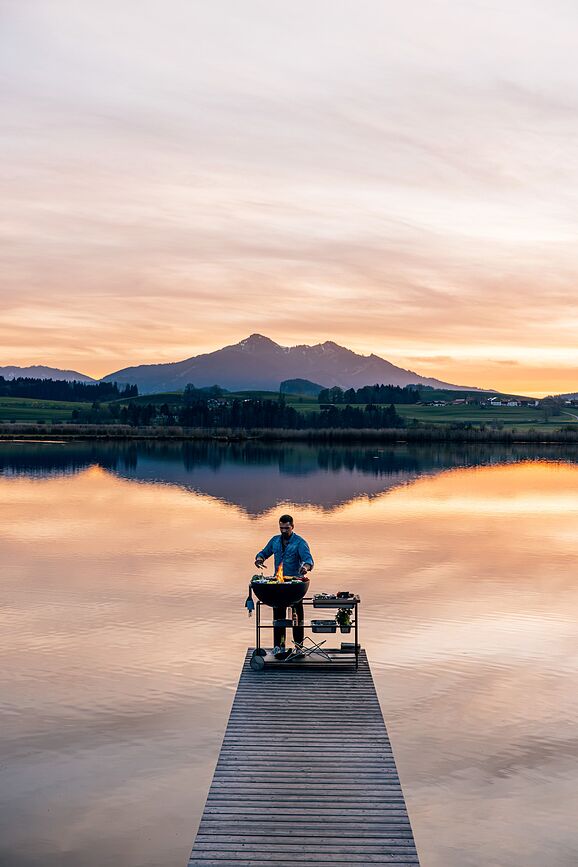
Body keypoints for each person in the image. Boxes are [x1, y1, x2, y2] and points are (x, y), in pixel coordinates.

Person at [255, 514, 314, 657]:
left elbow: (308, 560)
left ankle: (299, 647)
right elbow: (264, 552)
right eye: (281, 528)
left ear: (292, 527)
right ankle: (279, 647)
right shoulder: (275, 541)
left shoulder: (300, 542)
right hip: (279, 585)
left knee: (297, 618)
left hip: (294, 586)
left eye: (286, 528)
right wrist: (259, 559)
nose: (283, 531)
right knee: (278, 618)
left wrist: (305, 568)